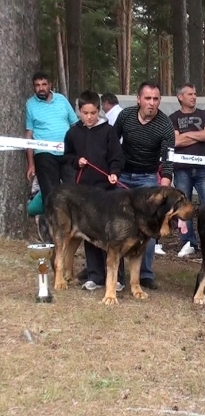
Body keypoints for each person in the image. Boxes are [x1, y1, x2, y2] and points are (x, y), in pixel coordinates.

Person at [113, 81, 175, 290]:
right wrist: (112, 171)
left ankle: (145, 274)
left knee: (149, 227)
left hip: (148, 178)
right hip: (122, 175)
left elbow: (168, 159)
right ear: (138, 99)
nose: (151, 103)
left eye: (155, 99)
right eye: (147, 98)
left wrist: (163, 189)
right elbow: (112, 143)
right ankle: (118, 274)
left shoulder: (165, 124)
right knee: (118, 225)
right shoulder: (125, 117)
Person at [63, 90, 126, 291]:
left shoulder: (108, 131)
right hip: (85, 192)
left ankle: (116, 278)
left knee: (113, 234)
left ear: (99, 111)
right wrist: (76, 161)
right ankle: (95, 275)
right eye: (85, 113)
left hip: (107, 191)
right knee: (89, 232)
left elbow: (117, 156)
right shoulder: (73, 132)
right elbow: (67, 155)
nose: (89, 117)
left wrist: (114, 172)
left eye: (93, 113)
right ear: (79, 111)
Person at [25, 71, 79, 238]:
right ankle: (49, 231)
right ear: (34, 87)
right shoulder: (30, 104)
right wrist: (31, 163)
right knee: (50, 193)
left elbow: (75, 124)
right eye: (37, 85)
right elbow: (29, 134)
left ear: (50, 85)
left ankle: (74, 228)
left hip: (67, 153)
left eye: (43, 84)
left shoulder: (62, 100)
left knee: (73, 189)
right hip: (44, 154)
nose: (41, 88)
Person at [169, 82, 205, 258]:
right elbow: (175, 142)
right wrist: (198, 136)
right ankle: (188, 242)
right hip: (181, 169)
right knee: (183, 205)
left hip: (203, 169)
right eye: (189, 94)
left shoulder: (204, 114)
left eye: (195, 94)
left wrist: (186, 134)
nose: (194, 97)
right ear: (180, 97)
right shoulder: (173, 117)